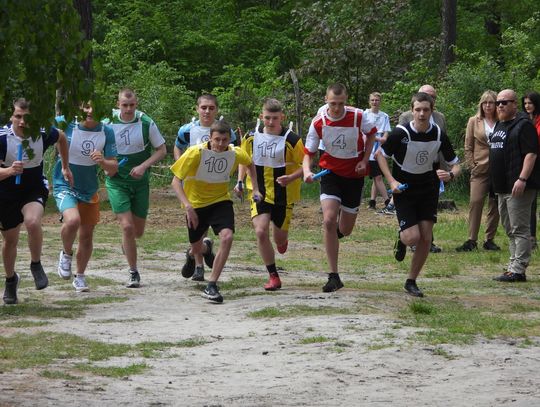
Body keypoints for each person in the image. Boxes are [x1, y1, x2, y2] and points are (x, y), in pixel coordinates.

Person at [376, 92, 460, 297]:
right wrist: (392, 181)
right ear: (412, 111)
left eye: (426, 110)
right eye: (418, 110)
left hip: (428, 188)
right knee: (412, 237)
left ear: (432, 111)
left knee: (426, 238)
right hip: (404, 188)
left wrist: (450, 175)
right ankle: (402, 238)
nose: (422, 114)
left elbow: (456, 164)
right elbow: (380, 155)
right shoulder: (400, 133)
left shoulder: (439, 134)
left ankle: (411, 281)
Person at [170, 120, 260, 303]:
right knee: (196, 248)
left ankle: (212, 285)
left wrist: (256, 189)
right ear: (209, 138)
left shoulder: (235, 152)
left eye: (224, 140)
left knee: (227, 237)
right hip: (196, 204)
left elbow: (250, 164)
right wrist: (188, 206)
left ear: (229, 139)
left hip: (220, 201)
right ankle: (199, 251)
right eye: (217, 139)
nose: (220, 144)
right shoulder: (195, 153)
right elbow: (175, 181)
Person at [303, 83, 376, 292]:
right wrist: (307, 171)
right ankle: (333, 276)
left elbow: (372, 134)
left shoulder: (358, 116)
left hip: (354, 176)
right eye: (333, 103)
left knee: (345, 229)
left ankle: (334, 234)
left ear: (347, 100)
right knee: (328, 219)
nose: (336, 108)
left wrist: (365, 160)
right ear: (326, 100)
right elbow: (308, 152)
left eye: (340, 103)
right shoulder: (319, 122)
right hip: (330, 174)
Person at [0, 98, 73, 304]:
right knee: (10, 240)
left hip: (33, 186)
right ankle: (11, 280)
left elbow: (62, 138)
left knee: (32, 221)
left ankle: (36, 264)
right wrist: (9, 170)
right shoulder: (2, 138)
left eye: (27, 118)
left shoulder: (43, 133)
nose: (22, 122)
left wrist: (65, 166)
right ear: (11, 116)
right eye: (18, 117)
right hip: (6, 191)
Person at [236, 98, 304, 291]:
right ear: (261, 117)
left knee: (279, 239)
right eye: (267, 118)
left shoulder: (292, 140)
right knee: (260, 231)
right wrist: (240, 180)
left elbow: (306, 165)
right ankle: (273, 275)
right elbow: (243, 159)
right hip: (258, 192)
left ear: (282, 117)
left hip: (285, 195)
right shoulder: (251, 137)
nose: (271, 122)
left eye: (275, 118)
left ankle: (282, 241)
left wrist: (291, 177)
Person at [105, 88, 167, 288]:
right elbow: (95, 148)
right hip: (117, 181)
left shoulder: (146, 122)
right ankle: (133, 272)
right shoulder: (107, 122)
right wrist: (106, 165)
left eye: (132, 105)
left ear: (137, 104)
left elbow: (162, 150)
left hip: (140, 182)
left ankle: (127, 243)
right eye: (125, 105)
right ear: (118, 104)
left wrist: (143, 166)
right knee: (127, 226)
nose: (128, 109)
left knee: (137, 232)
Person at [54, 102, 118, 292]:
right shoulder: (64, 123)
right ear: (80, 107)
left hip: (89, 189)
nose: (91, 111)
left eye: (95, 108)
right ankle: (66, 254)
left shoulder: (106, 131)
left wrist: (103, 161)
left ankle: (80, 276)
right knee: (72, 221)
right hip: (64, 183)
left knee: (87, 235)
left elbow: (113, 168)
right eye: (87, 107)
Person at [491, 89, 539, 282]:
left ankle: (519, 269)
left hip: (518, 185)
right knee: (509, 227)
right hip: (501, 186)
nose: (500, 105)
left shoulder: (523, 125)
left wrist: (522, 179)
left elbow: (531, 154)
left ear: (514, 105)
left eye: (505, 102)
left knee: (520, 228)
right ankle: (513, 265)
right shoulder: (500, 125)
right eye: (498, 102)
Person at [399, 84, 446, 253]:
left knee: (429, 206)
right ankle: (408, 235)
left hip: (433, 167)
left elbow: (443, 144)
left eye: (433, 97)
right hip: (410, 168)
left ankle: (428, 241)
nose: (429, 99)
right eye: (426, 95)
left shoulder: (440, 118)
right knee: (413, 205)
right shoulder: (405, 117)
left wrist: (445, 170)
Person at [456, 90, 501, 252]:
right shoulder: (474, 121)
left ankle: (489, 239)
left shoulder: (502, 121)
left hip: (498, 169)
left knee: (495, 204)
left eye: (491, 102)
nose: (488, 105)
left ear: (496, 104)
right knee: (475, 202)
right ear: (481, 105)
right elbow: (468, 146)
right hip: (479, 168)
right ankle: (471, 240)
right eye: (485, 102)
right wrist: (471, 164)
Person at [173, 94, 237, 160]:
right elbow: (178, 147)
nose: (207, 111)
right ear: (197, 109)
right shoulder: (187, 130)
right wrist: (180, 166)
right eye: (203, 108)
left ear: (217, 110)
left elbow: (236, 151)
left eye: (211, 108)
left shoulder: (227, 131)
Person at [364, 92, 393, 213]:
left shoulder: (384, 116)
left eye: (377, 100)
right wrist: (375, 138)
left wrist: (383, 140)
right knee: (378, 176)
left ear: (380, 101)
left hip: (380, 147)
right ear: (369, 101)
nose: (375, 102)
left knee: (377, 176)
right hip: (370, 146)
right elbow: (363, 131)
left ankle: (372, 201)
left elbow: (386, 131)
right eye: (372, 100)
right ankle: (387, 201)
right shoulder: (365, 114)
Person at [522, 91, 540, 249]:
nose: (528, 106)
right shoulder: (521, 119)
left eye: (531, 103)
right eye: (526, 103)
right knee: (530, 203)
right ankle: (531, 238)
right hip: (530, 165)